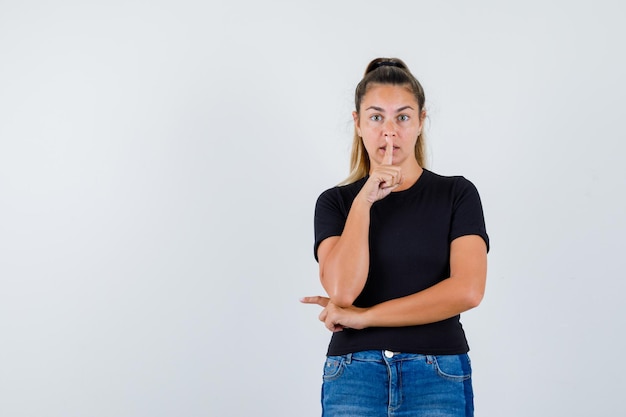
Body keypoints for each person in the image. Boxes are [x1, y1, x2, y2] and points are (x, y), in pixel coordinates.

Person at [300, 57, 489, 417]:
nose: (389, 131)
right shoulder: (336, 202)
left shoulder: (456, 194)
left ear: (420, 121)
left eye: (402, 117)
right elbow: (342, 291)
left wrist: (365, 317)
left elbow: (467, 290)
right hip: (353, 375)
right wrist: (364, 201)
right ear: (357, 123)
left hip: (437, 373)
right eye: (376, 117)